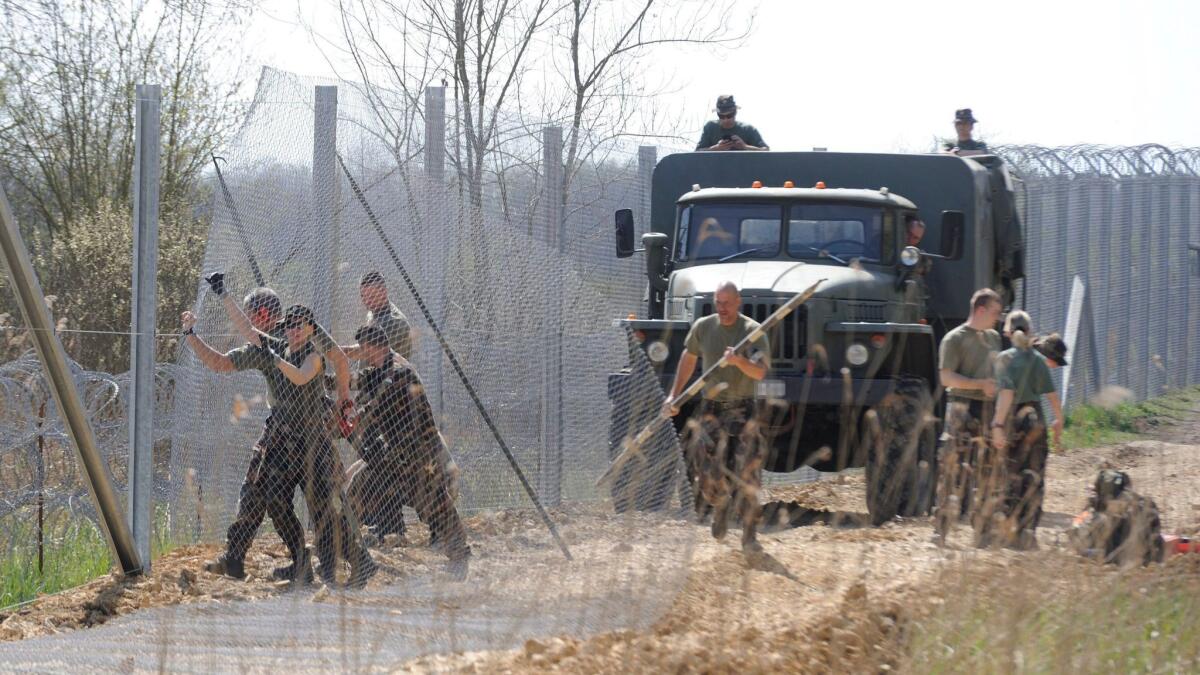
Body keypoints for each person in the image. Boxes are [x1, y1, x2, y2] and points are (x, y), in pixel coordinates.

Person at [182, 290, 310, 584]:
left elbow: (220, 363)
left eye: (251, 315)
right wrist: (191, 335)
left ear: (262, 315)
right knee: (255, 492)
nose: (248, 323)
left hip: (291, 434)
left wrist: (191, 334)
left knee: (273, 498)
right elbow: (221, 363)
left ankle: (302, 562)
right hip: (286, 430)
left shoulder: (273, 342)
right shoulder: (284, 340)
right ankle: (236, 557)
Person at [347, 325, 470, 578]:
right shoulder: (379, 371)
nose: (362, 354)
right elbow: (351, 381)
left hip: (419, 455)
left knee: (436, 506)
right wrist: (328, 371)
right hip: (396, 455)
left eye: (363, 349)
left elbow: (374, 407)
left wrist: (351, 418)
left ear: (373, 346)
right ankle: (340, 550)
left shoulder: (398, 375)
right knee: (361, 486)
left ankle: (459, 557)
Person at [663, 281, 770, 554]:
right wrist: (673, 396)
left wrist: (739, 362)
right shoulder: (704, 327)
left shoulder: (752, 332)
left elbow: (760, 372)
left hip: (744, 409)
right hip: (712, 408)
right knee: (707, 472)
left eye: (726, 302)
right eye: (717, 302)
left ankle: (749, 536)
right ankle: (720, 505)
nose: (721, 308)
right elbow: (688, 358)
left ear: (738, 302)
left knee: (749, 474)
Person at [977, 312, 1063, 549]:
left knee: (1006, 476)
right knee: (1034, 478)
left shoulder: (1003, 358)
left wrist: (997, 425)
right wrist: (1059, 422)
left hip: (1011, 419)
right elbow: (1053, 397)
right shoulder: (1037, 359)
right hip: (1035, 419)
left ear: (1008, 331)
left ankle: (1002, 533)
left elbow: (1006, 394)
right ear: (1029, 331)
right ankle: (1027, 534)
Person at [934, 288, 1003, 540]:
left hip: (987, 409)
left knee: (987, 469)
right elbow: (946, 377)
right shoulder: (954, 339)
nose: (998, 317)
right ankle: (941, 528)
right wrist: (980, 384)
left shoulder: (994, 338)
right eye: (995, 312)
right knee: (953, 469)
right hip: (961, 408)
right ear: (981, 310)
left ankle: (983, 531)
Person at [343, 271, 414, 361]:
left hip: (393, 373)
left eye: (371, 296)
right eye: (363, 296)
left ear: (384, 292)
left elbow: (369, 350)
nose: (366, 301)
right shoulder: (373, 312)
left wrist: (339, 351)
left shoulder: (395, 322)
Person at [695, 95, 768, 152]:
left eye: (729, 116)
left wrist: (745, 147)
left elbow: (766, 150)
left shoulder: (748, 129)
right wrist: (716, 148)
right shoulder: (710, 128)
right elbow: (697, 152)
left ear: (735, 113)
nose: (725, 120)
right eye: (721, 116)